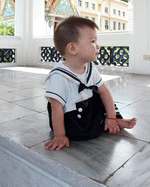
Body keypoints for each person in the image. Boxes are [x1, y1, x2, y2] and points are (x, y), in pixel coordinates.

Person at [44, 16, 137, 151]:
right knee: (81, 134)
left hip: (87, 109)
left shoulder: (90, 68)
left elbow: (104, 91)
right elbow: (56, 108)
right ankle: (102, 123)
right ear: (72, 48)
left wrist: (111, 116)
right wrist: (60, 135)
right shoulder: (59, 76)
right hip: (70, 118)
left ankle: (113, 120)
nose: (97, 45)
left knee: (102, 94)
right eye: (92, 41)